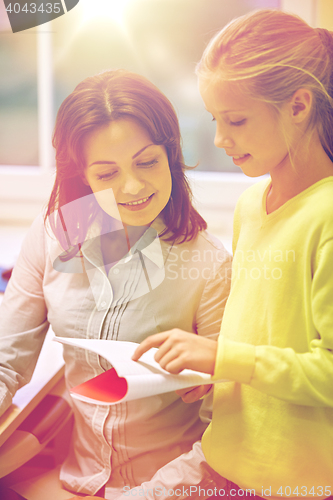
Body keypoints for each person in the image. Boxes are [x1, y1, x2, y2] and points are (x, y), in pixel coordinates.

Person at [129, 9, 333, 500]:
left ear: (299, 106)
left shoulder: (326, 217)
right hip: (222, 460)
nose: (221, 139)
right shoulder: (249, 206)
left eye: (237, 120)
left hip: (296, 484)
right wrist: (217, 372)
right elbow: (264, 337)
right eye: (216, 120)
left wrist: (225, 356)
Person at [0, 70, 232, 498]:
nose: (133, 186)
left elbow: (226, 435)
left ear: (171, 155)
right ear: (82, 176)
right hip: (75, 479)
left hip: (167, 486)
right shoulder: (51, 236)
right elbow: (6, 361)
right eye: (106, 174)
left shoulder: (210, 265)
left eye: (147, 162)